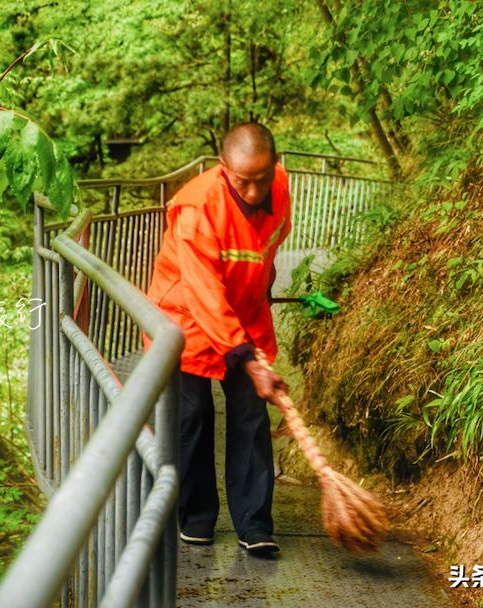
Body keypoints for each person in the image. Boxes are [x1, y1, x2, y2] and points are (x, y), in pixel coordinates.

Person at [144, 122, 291, 555]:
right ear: (223, 168)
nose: (252, 191)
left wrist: (264, 284)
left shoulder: (279, 187)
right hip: (185, 317)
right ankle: (196, 518)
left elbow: (272, 242)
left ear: (275, 167)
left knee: (250, 415)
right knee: (193, 417)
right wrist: (247, 359)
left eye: (261, 180)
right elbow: (204, 292)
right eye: (242, 181)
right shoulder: (196, 207)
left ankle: (255, 524)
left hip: (245, 312)